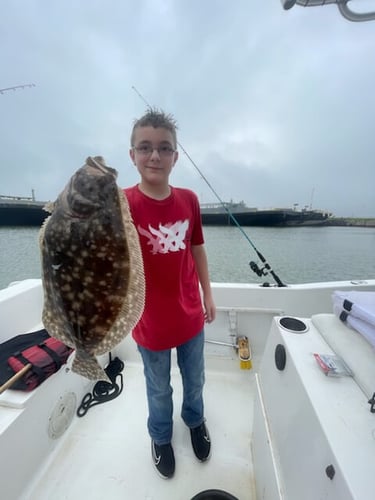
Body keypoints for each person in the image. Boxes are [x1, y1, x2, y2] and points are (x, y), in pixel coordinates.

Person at [124, 108, 216, 479]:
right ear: (132, 155)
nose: (155, 156)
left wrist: (207, 295)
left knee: (195, 380)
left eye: (164, 148)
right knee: (158, 388)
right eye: (145, 147)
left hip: (190, 314)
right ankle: (160, 436)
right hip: (149, 321)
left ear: (176, 157)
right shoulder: (122, 203)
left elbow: (197, 248)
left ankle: (194, 420)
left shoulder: (190, 200)